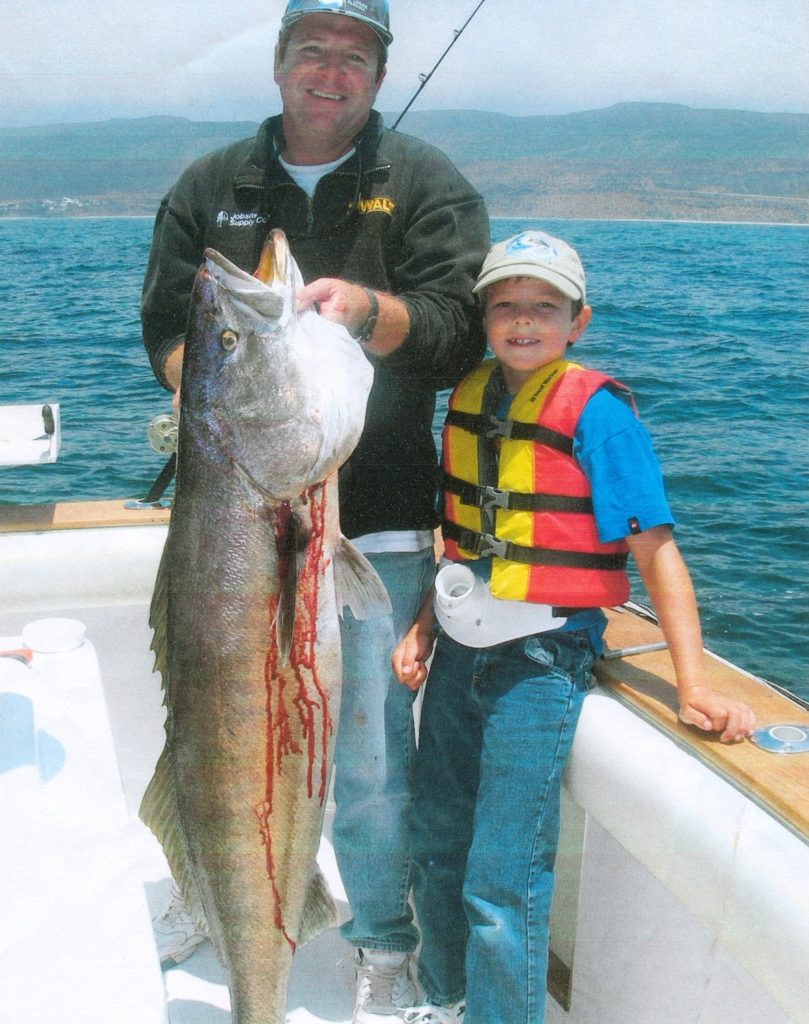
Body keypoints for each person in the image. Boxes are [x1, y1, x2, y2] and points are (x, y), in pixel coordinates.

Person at [140, 2, 489, 1020]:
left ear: (376, 75)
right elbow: (168, 323)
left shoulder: (421, 184)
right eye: (311, 51)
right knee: (205, 726)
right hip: (222, 517)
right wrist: (211, 376)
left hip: (372, 515)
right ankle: (219, 893)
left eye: (352, 56)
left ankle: (380, 933)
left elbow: (462, 328)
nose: (328, 72)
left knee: (370, 759)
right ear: (279, 63)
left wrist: (367, 314)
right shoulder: (211, 186)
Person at [391, 229, 757, 1024]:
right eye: (506, 307)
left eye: (543, 307)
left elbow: (654, 549)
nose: (524, 322)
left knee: (502, 873)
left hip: (540, 660)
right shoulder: (466, 394)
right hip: (457, 651)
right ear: (483, 318)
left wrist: (692, 685)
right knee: (435, 837)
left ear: (577, 321)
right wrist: (421, 627)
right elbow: (459, 534)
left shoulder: (599, 414)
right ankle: (441, 998)